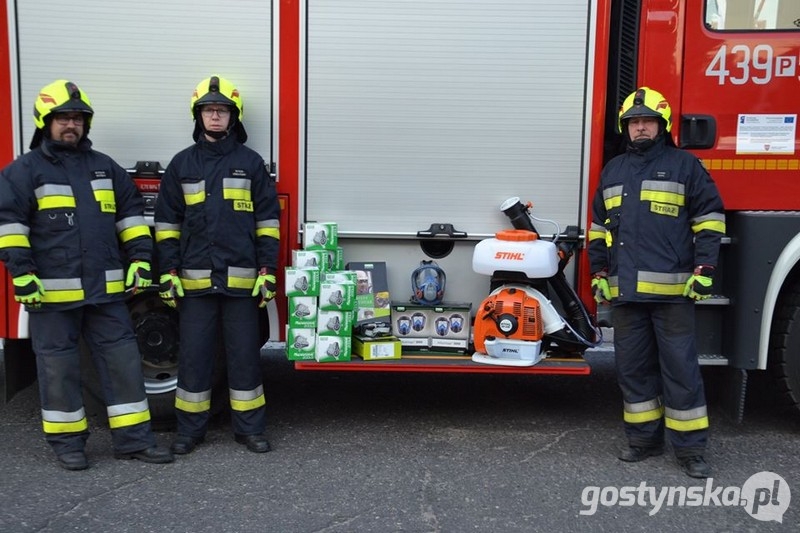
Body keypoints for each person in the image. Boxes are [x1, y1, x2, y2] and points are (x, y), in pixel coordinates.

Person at [0, 80, 174, 470]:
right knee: (58, 370)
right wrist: (21, 273)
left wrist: (140, 259)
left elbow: (131, 216)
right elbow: (9, 226)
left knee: (124, 364)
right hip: (52, 296)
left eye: (78, 118)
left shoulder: (105, 167)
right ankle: (68, 444)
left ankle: (134, 440)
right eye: (63, 117)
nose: (71, 125)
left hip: (106, 294)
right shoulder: (23, 172)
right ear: (45, 122)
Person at [587, 87, 726, 479]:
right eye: (634, 122)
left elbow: (710, 220)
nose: (641, 128)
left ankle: (691, 450)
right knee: (633, 371)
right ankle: (643, 440)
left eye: (648, 121)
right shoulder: (613, 171)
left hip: (672, 296)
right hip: (626, 295)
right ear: (625, 128)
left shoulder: (685, 166)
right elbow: (599, 229)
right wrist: (599, 273)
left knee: (681, 372)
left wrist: (704, 270)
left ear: (661, 125)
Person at [154, 75, 280, 455]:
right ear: (198, 115)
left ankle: (250, 429)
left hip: (241, 285)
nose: (214, 116)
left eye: (222, 110)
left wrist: (268, 271)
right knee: (194, 360)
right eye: (208, 110)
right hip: (195, 287)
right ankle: (189, 432)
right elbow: (167, 224)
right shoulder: (182, 165)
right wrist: (168, 272)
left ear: (232, 117)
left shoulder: (250, 164)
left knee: (245, 359)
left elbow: (267, 223)